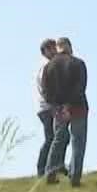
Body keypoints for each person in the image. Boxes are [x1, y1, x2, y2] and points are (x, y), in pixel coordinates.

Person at [41, 36, 89, 186]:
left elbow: (45, 91)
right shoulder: (78, 63)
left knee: (58, 139)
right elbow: (80, 87)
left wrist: (57, 107)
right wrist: (69, 105)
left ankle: (50, 172)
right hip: (77, 107)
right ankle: (75, 176)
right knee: (78, 141)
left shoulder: (48, 67)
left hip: (58, 109)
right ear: (68, 46)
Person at [33, 38, 59, 178]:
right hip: (47, 107)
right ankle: (42, 168)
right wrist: (53, 104)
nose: (55, 50)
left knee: (56, 137)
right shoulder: (46, 66)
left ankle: (55, 165)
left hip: (47, 106)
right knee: (51, 138)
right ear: (46, 51)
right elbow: (45, 88)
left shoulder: (49, 65)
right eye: (52, 48)